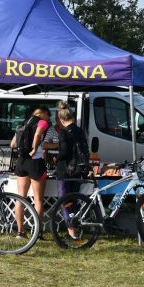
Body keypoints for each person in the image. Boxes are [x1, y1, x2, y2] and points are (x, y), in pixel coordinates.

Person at [11, 106, 51, 237]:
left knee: (20, 197)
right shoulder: (42, 122)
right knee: (38, 199)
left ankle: (20, 231)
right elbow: (38, 134)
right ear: (43, 114)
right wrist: (34, 149)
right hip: (35, 161)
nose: (48, 119)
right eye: (48, 116)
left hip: (21, 161)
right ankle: (37, 233)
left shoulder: (23, 123)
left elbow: (13, 144)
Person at [56, 100, 89, 239]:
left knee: (64, 201)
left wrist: (56, 158)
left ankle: (71, 231)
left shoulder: (63, 132)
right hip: (78, 170)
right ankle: (76, 227)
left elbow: (64, 152)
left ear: (61, 119)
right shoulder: (80, 131)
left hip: (65, 171)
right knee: (74, 200)